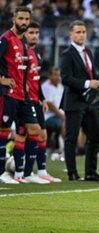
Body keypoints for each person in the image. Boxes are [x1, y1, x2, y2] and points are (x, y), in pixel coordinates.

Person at [60, 20, 99, 182]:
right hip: (74, 101)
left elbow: (92, 74)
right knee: (71, 138)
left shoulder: (88, 51)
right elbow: (66, 79)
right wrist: (88, 83)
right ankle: (72, 173)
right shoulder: (67, 54)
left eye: (83, 32)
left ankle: (90, 172)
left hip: (88, 102)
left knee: (96, 135)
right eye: (78, 32)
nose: (81, 35)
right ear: (71, 34)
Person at [0, 6, 43, 184]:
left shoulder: (22, 42)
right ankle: (2, 173)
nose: (24, 22)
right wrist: (1, 80)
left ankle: (22, 173)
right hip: (8, 94)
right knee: (2, 133)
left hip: (22, 96)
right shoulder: (5, 39)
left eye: (26, 19)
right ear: (13, 19)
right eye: (21, 19)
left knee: (35, 131)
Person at [21, 21, 62, 182]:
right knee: (25, 134)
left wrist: (43, 99)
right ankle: (24, 172)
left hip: (36, 100)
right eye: (31, 32)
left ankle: (41, 171)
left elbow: (35, 81)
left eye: (36, 33)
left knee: (42, 135)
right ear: (24, 34)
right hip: (24, 99)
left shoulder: (36, 54)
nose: (34, 36)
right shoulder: (22, 53)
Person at [41, 67, 65, 158]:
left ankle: (79, 150)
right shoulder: (46, 86)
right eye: (55, 75)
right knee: (64, 124)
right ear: (50, 76)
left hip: (60, 115)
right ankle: (64, 150)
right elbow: (50, 105)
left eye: (58, 75)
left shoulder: (60, 86)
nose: (57, 77)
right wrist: (62, 116)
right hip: (48, 116)